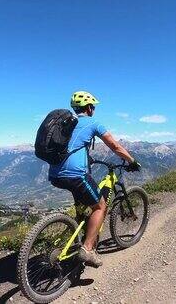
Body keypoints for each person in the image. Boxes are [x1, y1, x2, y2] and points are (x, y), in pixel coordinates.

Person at [49, 91, 141, 268]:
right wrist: (131, 161)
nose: (94, 110)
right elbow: (115, 146)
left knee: (83, 209)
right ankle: (88, 250)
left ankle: (78, 237)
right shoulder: (93, 123)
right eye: (94, 107)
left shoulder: (65, 124)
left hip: (55, 175)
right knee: (100, 206)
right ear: (89, 108)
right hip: (75, 175)